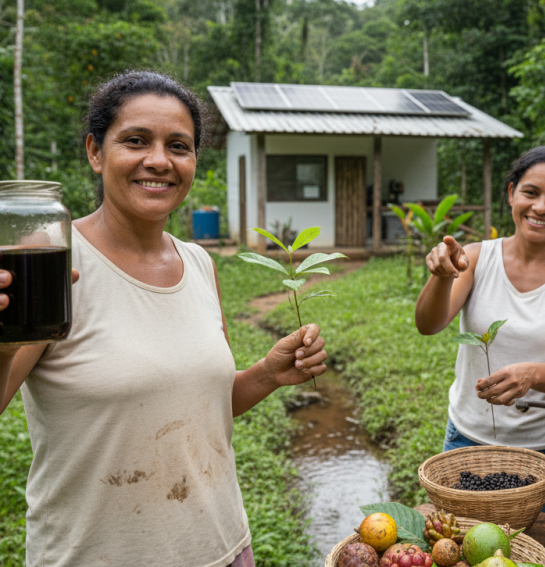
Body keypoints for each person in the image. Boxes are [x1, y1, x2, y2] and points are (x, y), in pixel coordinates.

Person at [0, 71, 328, 567]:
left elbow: (193, 407)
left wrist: (265, 376)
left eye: (179, 146)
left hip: (222, 547)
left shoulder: (199, 264)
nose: (159, 160)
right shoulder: (51, 263)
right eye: (135, 141)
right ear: (95, 151)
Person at [415, 146, 545, 512]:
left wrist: (531, 373)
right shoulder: (475, 258)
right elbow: (429, 324)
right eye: (530, 192)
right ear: (511, 193)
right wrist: (440, 278)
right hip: (466, 442)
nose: (540, 208)